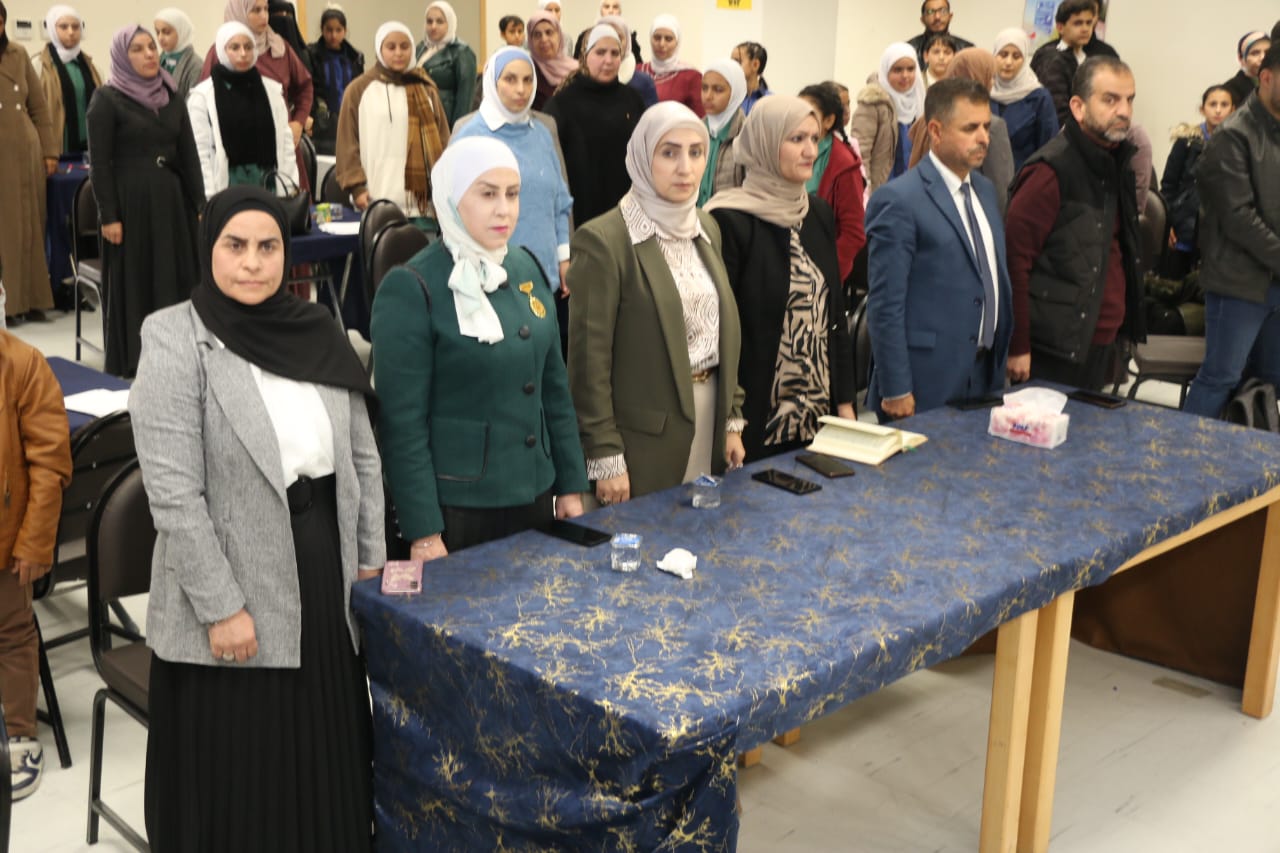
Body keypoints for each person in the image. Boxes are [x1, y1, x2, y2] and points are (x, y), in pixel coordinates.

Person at [131, 186, 383, 853]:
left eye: (268, 246)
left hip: (321, 574)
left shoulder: (315, 327)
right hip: (230, 583)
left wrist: (369, 562)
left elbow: (362, 458)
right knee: (244, 777)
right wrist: (221, 607)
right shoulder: (174, 338)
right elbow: (174, 495)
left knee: (322, 758)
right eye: (235, 246)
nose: (252, 262)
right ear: (208, 248)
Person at [371, 137, 588, 556]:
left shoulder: (525, 265)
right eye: (488, 194)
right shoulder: (412, 287)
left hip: (535, 492)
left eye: (513, 194)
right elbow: (402, 425)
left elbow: (554, 390)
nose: (504, 209)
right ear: (452, 198)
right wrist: (423, 531)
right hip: (459, 509)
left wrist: (570, 484)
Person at [568, 102, 746, 502]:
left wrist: (731, 417)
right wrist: (605, 454)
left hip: (709, 421)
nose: (685, 168)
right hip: (642, 444)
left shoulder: (706, 227)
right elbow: (588, 365)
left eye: (696, 152)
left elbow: (720, 331)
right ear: (642, 157)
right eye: (669, 152)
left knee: (701, 534)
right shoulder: (605, 240)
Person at [706, 96, 857, 460]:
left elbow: (834, 314)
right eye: (796, 139)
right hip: (756, 420)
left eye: (814, 138)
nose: (810, 150)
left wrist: (845, 402)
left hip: (817, 416)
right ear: (765, 142)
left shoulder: (817, 212)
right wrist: (730, 422)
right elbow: (721, 332)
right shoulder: (729, 219)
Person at [865, 78, 1012, 419]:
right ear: (936, 130)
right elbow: (885, 304)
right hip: (924, 379)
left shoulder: (985, 191)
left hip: (985, 374)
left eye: (986, 127)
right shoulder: (899, 199)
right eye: (970, 128)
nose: (983, 138)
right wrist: (896, 387)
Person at [1005, 56, 1144, 391]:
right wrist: (1018, 345)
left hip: (1099, 339)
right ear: (1078, 107)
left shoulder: (1116, 161)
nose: (1124, 111)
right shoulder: (1049, 171)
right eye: (1110, 100)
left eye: (1129, 100)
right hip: (1054, 346)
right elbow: (1014, 261)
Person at [87, 24, 204, 378]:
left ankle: (180, 356)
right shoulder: (106, 100)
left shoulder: (171, 96)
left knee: (176, 277)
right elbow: (100, 164)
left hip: (172, 203)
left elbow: (189, 155)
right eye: (137, 49)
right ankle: (137, 359)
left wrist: (200, 205)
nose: (149, 54)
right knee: (137, 280)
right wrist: (109, 215)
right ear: (122, 57)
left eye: (151, 46)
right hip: (130, 207)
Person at [452, 46, 574, 349]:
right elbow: (452, 209)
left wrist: (564, 258)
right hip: (492, 278)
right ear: (492, 82)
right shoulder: (470, 134)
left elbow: (560, 202)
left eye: (527, 80)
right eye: (510, 79)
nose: (521, 89)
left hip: (544, 274)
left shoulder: (542, 132)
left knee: (547, 359)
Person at [1182, 48, 1280, 418]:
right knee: (1220, 378)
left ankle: (1246, 454)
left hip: (1275, 280)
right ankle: (1186, 450)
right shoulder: (1233, 135)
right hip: (1238, 283)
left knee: (1269, 382)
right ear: (1266, 77)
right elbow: (1239, 218)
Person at [0, 330, 72, 802]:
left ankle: (19, 733)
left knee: (12, 633)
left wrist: (34, 542)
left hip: (7, 543)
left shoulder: (24, 365)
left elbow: (50, 464)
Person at [336, 21, 449, 220]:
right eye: (391, 47)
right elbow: (347, 144)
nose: (398, 53)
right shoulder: (358, 90)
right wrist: (357, 188)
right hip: (376, 201)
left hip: (425, 206)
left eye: (404, 47)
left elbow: (443, 141)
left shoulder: (426, 88)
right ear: (379, 50)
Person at [200, 0, 314, 192]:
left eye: (266, 9)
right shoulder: (220, 51)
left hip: (279, 144)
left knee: (287, 200)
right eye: (256, 10)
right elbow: (205, 102)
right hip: (235, 157)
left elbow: (304, 86)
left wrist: (298, 121)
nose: (264, 16)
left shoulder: (279, 47)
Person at [544, 24, 644, 226]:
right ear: (585, 55)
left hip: (627, 213)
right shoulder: (563, 103)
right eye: (600, 52)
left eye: (615, 53)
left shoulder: (632, 99)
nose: (608, 60)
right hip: (580, 212)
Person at [188, 22, 298, 199]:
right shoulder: (203, 96)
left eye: (248, 47)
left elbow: (285, 142)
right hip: (227, 185)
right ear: (222, 50)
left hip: (267, 182)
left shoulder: (271, 91)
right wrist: (208, 198)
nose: (243, 53)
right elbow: (200, 152)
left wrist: (289, 187)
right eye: (235, 47)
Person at [0, 0, 57, 326]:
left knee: (31, 226)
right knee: (5, 231)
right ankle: (8, 305)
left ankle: (33, 299)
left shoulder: (18, 54)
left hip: (24, 150)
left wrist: (50, 151)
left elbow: (38, 106)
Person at [908, 48, 1015, 217]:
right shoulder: (992, 125)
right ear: (976, 76)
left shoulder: (926, 118)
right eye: (990, 76)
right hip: (972, 216)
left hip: (927, 211)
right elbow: (1001, 188)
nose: (993, 83)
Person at [1161, 85, 1235, 279]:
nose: (1218, 110)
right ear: (1202, 109)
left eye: (1224, 105)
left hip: (1221, 234)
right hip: (1184, 226)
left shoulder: (1239, 145)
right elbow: (1168, 185)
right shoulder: (1186, 142)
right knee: (1176, 285)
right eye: (1212, 104)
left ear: (1233, 109)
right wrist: (1167, 223)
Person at [798, 81, 866, 282]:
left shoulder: (843, 164)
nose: (799, 119)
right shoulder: (789, 151)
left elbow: (854, 231)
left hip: (821, 271)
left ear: (828, 121)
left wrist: (827, 270)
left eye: (809, 113)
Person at [1031, 0, 1119, 127]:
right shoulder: (1052, 59)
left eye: (1089, 23)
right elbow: (1058, 113)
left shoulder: (1085, 56)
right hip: (1064, 132)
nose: (1085, 29)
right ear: (1060, 27)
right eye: (1078, 23)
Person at [851, 43, 924, 195]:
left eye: (911, 69)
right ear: (885, 71)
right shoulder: (873, 102)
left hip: (914, 188)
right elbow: (861, 153)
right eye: (898, 70)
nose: (905, 75)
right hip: (882, 189)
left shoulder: (921, 101)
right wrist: (865, 192)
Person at [35, 5, 102, 156]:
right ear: (52, 29)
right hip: (56, 149)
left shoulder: (92, 67)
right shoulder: (38, 66)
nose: (71, 32)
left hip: (91, 148)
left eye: (76, 27)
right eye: (63, 27)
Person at [991, 27, 1058, 171]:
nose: (1008, 62)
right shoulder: (984, 91)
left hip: (1022, 177)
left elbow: (1049, 148)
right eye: (1003, 54)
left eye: (1016, 56)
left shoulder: (1039, 97)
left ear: (1025, 59)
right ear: (994, 55)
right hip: (983, 177)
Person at [307, 5, 363, 156]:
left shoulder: (355, 58)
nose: (333, 35)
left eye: (338, 30)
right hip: (323, 125)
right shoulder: (312, 55)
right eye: (329, 30)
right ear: (322, 29)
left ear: (345, 30)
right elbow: (309, 90)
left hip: (351, 123)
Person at [414, 1, 476, 129]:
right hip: (418, 117)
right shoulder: (421, 48)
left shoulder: (462, 52)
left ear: (450, 23)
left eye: (440, 22)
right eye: (429, 21)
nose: (433, 26)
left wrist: (457, 131)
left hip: (443, 122)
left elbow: (465, 98)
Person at [698, 57, 747, 205]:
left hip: (728, 216)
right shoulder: (696, 131)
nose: (708, 96)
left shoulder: (746, 136)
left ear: (735, 93)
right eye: (704, 88)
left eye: (718, 90)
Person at [637, 15, 702, 116]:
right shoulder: (637, 71)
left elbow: (700, 118)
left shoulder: (692, 77)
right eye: (657, 38)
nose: (662, 44)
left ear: (677, 42)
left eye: (668, 39)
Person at [524, 10, 576, 110]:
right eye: (537, 35)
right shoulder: (527, 70)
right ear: (530, 40)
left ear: (559, 35)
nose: (544, 39)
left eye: (549, 32)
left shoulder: (576, 71)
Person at [573, 0, 644, 65]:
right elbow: (577, 63)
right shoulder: (586, 36)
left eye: (615, 7)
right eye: (606, 7)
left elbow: (638, 64)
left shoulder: (629, 38)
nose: (611, 11)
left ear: (620, 11)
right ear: (600, 10)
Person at [907, 0, 973, 69]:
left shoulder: (967, 49)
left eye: (943, 11)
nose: (937, 17)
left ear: (950, 16)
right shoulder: (910, 49)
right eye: (930, 12)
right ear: (922, 19)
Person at [154, 8, 201, 99]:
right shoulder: (157, 60)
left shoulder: (196, 66)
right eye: (157, 32)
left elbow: (193, 102)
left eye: (166, 32)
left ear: (181, 31)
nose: (160, 38)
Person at [1223, 31, 1270, 110]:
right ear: (1241, 59)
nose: (1263, 57)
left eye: (1268, 52)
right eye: (1255, 53)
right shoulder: (1229, 90)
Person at [732, 41, 770, 115]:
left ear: (755, 65)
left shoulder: (770, 100)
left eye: (737, 62)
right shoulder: (728, 99)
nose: (732, 66)